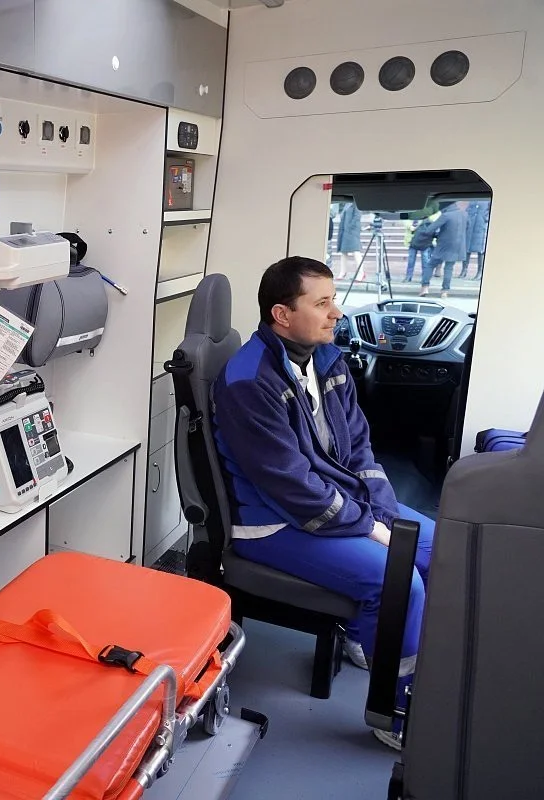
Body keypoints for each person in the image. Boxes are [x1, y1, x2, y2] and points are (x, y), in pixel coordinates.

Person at [211, 257, 435, 751]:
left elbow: (359, 449)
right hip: (273, 523)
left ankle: (368, 638)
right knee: (400, 579)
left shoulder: (327, 361)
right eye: (323, 303)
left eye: (334, 300)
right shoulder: (250, 381)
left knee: (438, 546)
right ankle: (393, 714)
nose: (337, 312)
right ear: (282, 315)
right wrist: (371, 528)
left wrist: (381, 512)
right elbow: (290, 487)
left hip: (333, 502)